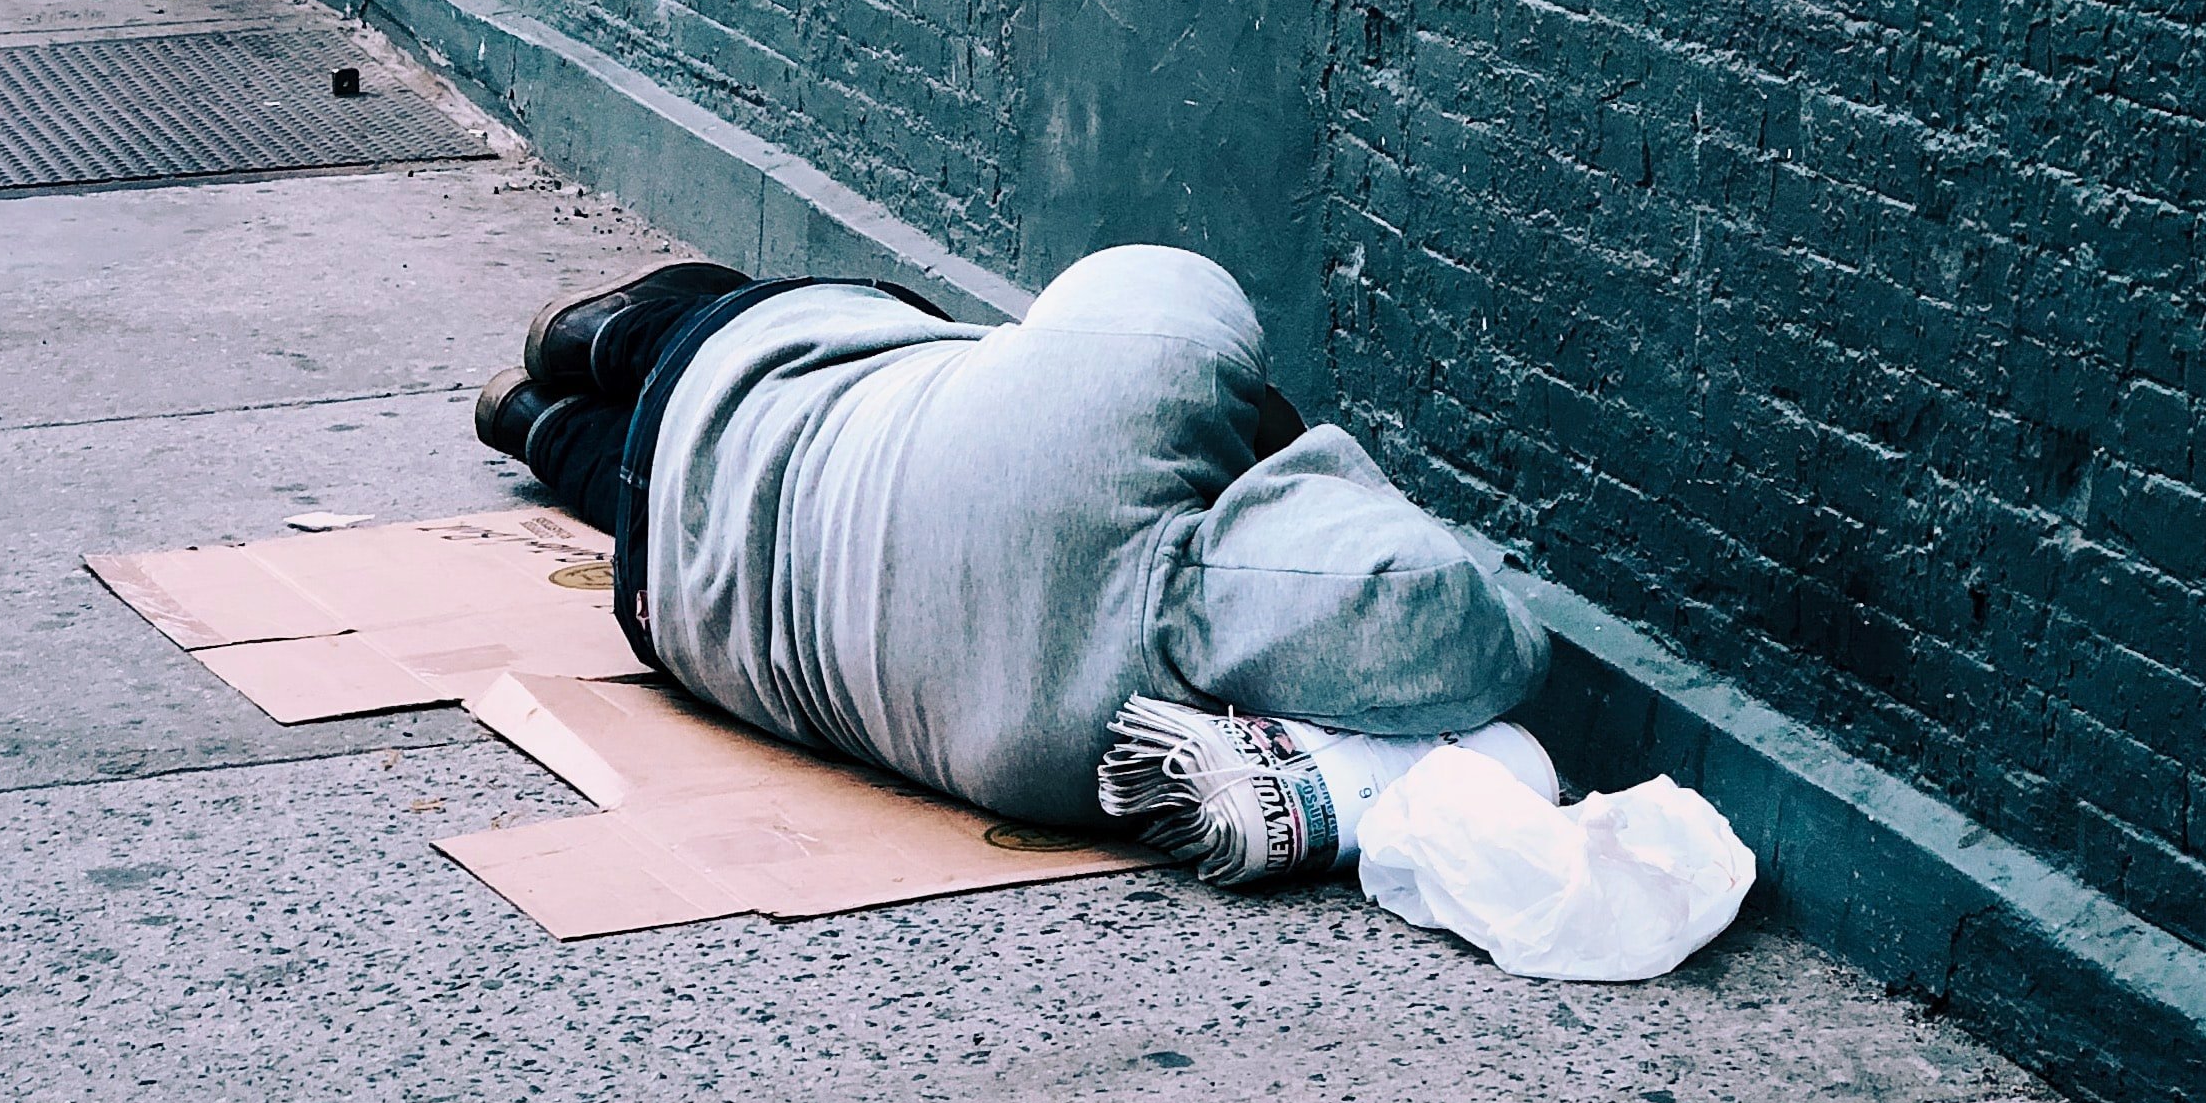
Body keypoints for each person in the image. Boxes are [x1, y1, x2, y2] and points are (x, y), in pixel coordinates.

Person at [475, 244, 1546, 834]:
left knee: (771, 332)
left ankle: (588, 337)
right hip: (679, 604)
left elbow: (1155, 279)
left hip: (757, 369)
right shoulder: (1087, 763)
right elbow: (1478, 638)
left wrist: (1272, 438)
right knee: (671, 499)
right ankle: (535, 425)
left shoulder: (1139, 379)